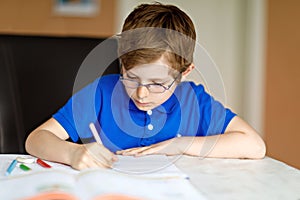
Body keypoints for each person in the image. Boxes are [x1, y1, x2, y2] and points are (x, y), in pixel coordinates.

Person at [25, 3, 266, 170]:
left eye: (158, 83)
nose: (141, 93)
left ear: (185, 72)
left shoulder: (193, 101)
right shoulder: (101, 92)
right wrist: (73, 153)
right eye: (131, 77)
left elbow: (254, 146)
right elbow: (36, 139)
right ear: (122, 62)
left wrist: (178, 145)